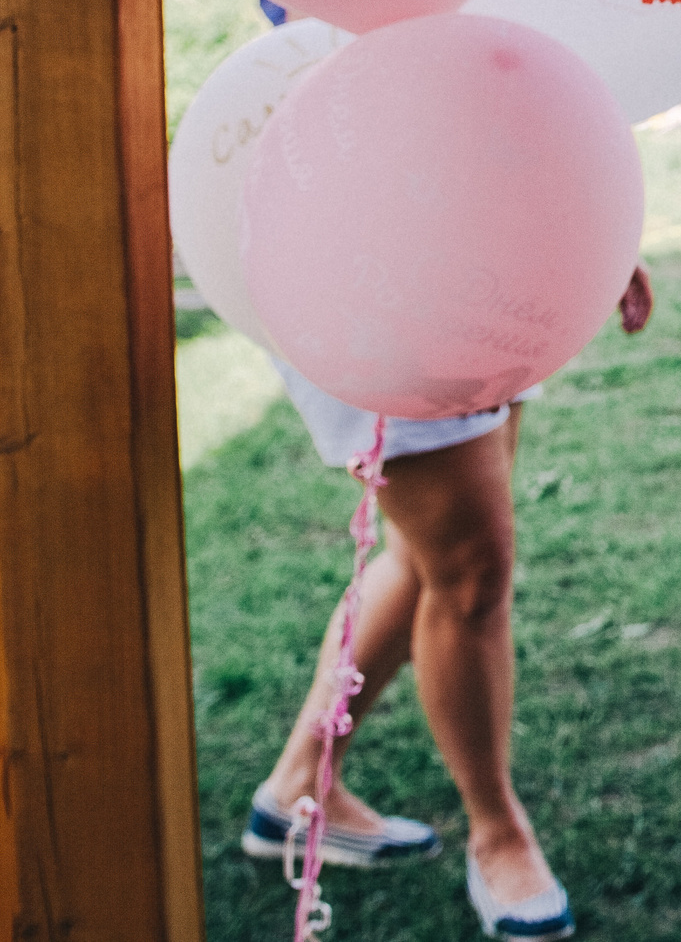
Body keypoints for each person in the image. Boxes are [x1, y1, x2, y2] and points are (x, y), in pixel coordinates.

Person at [244, 263, 652, 942]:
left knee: (430, 554)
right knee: (471, 571)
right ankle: (497, 833)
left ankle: (298, 784)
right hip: (370, 272)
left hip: (485, 257)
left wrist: (588, 236)